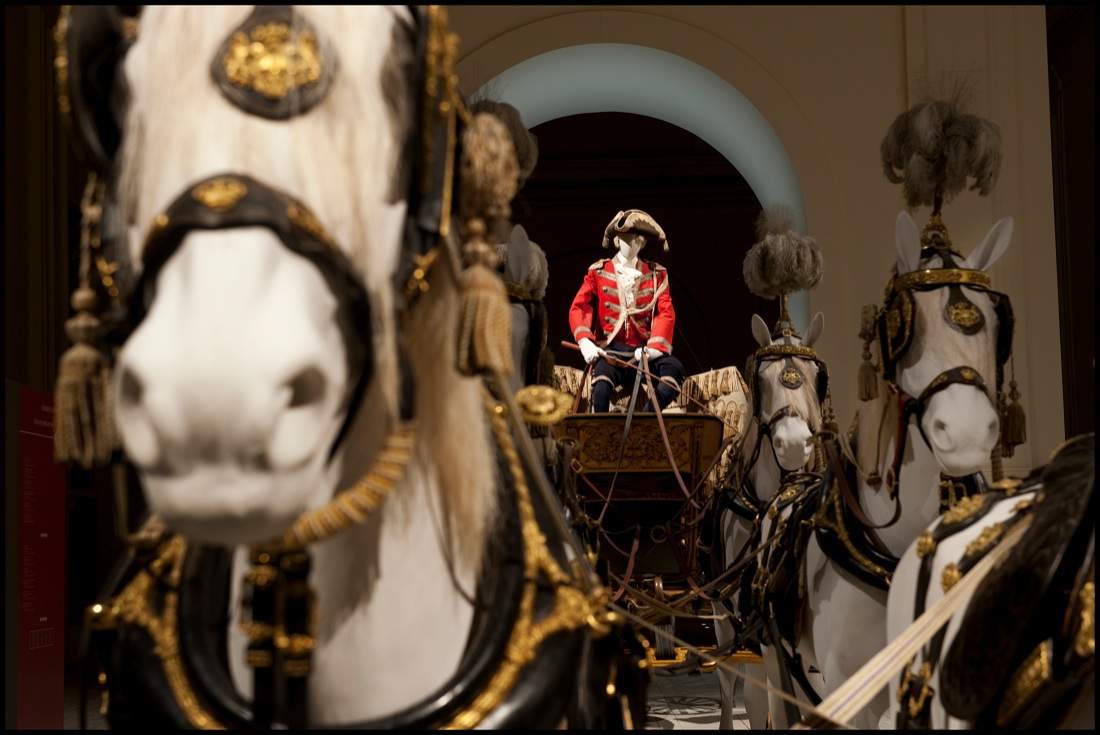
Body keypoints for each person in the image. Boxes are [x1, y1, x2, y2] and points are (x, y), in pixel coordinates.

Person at [568, 209, 686, 413]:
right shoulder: (598, 271)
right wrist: (585, 342)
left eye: (638, 238)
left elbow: (665, 312)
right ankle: (604, 438)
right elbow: (579, 306)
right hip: (610, 351)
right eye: (626, 238)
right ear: (616, 241)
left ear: (644, 242)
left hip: (645, 352)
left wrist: (654, 348)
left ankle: (645, 421)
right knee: (601, 388)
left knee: (674, 373)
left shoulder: (657, 274)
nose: (632, 242)